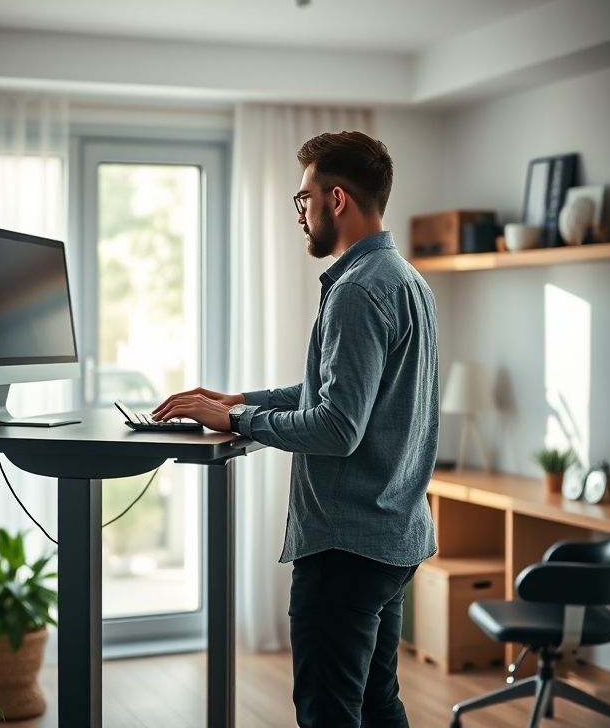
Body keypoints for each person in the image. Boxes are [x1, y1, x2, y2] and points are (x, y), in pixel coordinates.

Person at [152, 130, 439, 727]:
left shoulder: (357, 291)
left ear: (336, 200)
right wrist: (237, 400)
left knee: (327, 714)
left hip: (345, 548)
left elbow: (337, 427)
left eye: (303, 198)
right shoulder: (407, 280)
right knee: (378, 705)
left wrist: (235, 420)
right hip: (394, 538)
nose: (301, 214)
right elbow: (342, 396)